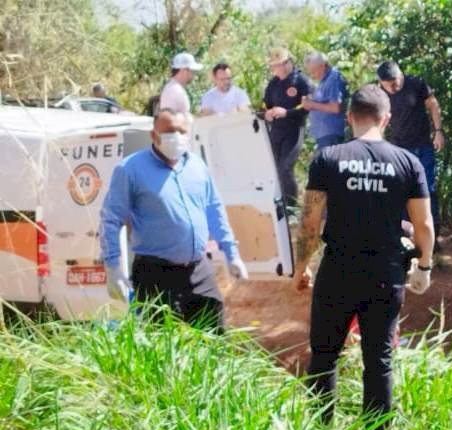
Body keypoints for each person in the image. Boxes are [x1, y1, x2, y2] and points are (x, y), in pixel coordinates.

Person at [294, 84, 435, 428]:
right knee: (379, 360)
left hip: (338, 270)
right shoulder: (408, 162)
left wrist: (302, 268)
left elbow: (310, 222)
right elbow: (424, 224)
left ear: (349, 117)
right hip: (386, 273)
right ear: (386, 119)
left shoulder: (328, 159)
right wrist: (424, 266)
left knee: (324, 355)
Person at [100, 108, 249, 330]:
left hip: (199, 270)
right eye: (170, 131)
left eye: (182, 131)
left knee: (214, 336)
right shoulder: (130, 169)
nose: (177, 137)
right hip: (155, 275)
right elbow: (111, 219)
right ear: (154, 135)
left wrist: (231, 253)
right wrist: (112, 267)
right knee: (160, 342)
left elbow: (214, 209)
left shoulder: (197, 166)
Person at [376, 61, 445, 240]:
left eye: (395, 83)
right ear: (381, 82)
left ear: (400, 75)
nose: (393, 88)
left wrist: (438, 132)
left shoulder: (416, 83)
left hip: (423, 146)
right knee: (402, 192)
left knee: (427, 189)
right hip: (398, 149)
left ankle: (433, 236)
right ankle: (407, 238)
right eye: (388, 85)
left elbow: (433, 105)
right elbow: (378, 120)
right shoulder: (379, 93)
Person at [263, 48, 312, 209]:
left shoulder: (301, 81)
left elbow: (307, 107)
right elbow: (266, 104)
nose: (280, 68)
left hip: (293, 130)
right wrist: (267, 113)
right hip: (276, 130)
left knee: (286, 167)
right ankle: (278, 204)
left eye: (283, 63)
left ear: (289, 62)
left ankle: (291, 207)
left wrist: (286, 113)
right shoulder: (274, 83)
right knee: (274, 167)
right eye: (276, 65)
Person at [301, 52, 349, 150]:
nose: (312, 75)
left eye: (313, 71)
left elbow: (336, 107)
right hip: (323, 135)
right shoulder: (324, 80)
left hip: (331, 135)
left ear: (322, 66)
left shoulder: (334, 78)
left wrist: (311, 104)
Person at [159, 52, 203, 119]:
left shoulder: (175, 88)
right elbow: (169, 119)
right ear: (184, 71)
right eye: (192, 71)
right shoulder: (173, 90)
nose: (194, 74)